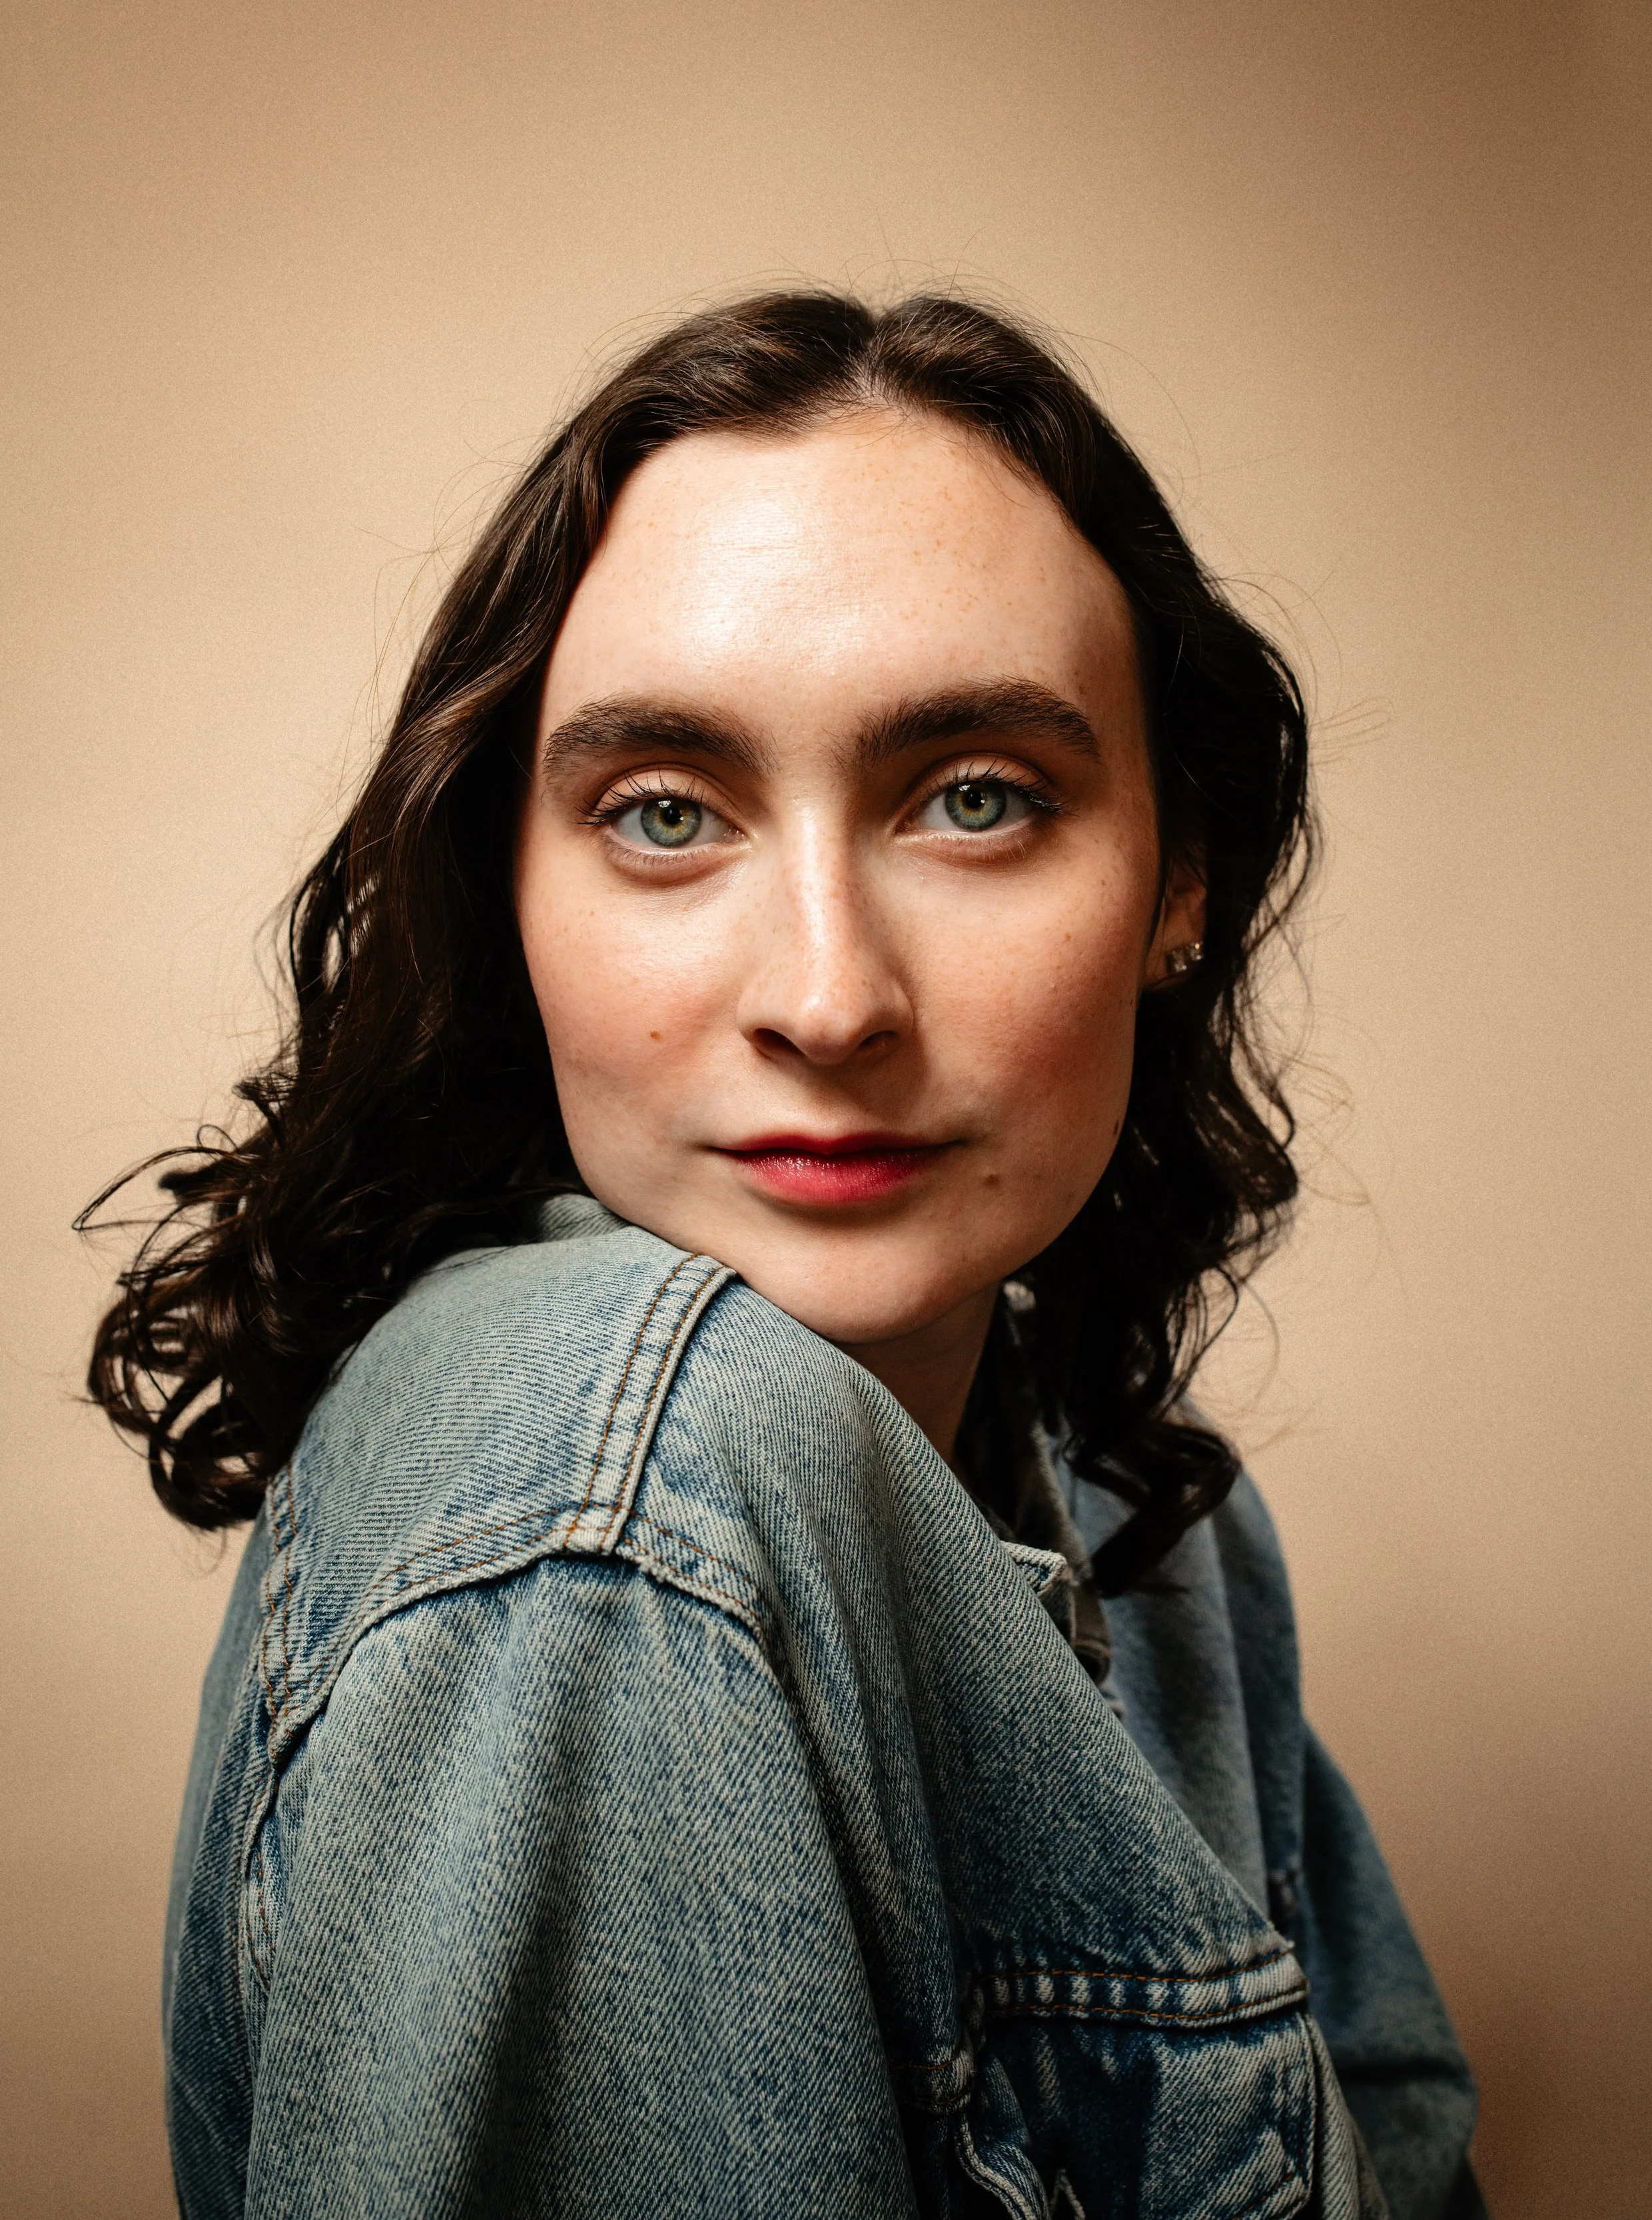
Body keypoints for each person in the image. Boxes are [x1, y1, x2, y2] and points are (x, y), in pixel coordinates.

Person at [87, 292, 1484, 2219]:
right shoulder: (604, 1508)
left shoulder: (1165, 1532)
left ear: (1179, 881)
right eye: (664, 814)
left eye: (975, 796)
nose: (828, 997)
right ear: (506, 902)